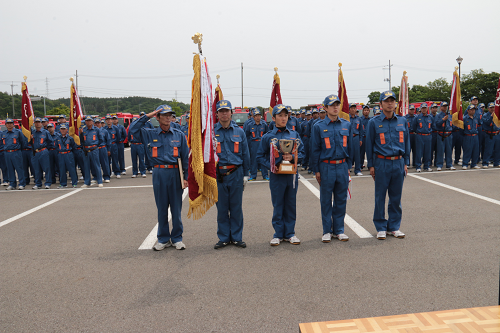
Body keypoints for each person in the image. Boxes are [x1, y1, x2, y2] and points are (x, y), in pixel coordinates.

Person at [128, 105, 188, 251]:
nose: (168, 117)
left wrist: (186, 177)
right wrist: (148, 115)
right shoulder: (150, 134)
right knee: (162, 208)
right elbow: (132, 130)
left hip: (175, 173)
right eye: (164, 115)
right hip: (159, 173)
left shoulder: (179, 135)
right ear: (158, 117)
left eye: (170, 115)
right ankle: (163, 238)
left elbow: (185, 158)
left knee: (176, 209)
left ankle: (177, 238)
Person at [256, 104, 304, 246]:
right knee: (278, 204)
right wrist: (271, 166)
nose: (283, 118)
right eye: (280, 115)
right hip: (277, 175)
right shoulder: (268, 137)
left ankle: (290, 233)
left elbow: (302, 152)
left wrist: (294, 158)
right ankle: (278, 233)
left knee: (290, 204)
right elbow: (259, 156)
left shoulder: (294, 135)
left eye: (285, 115)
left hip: (291, 175)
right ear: (274, 117)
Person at [366, 91, 409, 240]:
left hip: (398, 162)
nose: (390, 103)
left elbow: (406, 143)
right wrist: (371, 165)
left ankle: (394, 227)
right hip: (381, 162)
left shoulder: (402, 121)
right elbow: (369, 145)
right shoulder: (374, 122)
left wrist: (406, 162)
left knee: (396, 197)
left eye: (392, 101)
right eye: (387, 101)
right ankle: (380, 227)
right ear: (380, 104)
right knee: (380, 197)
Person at [310, 94, 352, 242]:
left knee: (341, 199)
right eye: (332, 105)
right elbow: (314, 150)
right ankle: (327, 230)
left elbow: (350, 147)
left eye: (337, 104)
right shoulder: (318, 126)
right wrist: (316, 170)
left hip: (342, 166)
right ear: (325, 108)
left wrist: (349, 166)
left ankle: (339, 230)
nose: (335, 107)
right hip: (326, 166)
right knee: (326, 200)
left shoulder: (346, 124)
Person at [213, 100, 251, 249]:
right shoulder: (212, 132)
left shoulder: (239, 131)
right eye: (221, 111)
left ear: (231, 113)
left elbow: (246, 154)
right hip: (219, 174)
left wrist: (246, 174)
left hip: (236, 173)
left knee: (236, 207)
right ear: (217, 114)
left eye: (226, 111)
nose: (224, 114)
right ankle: (223, 237)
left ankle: (236, 237)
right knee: (222, 208)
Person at [1, 118, 28, 190]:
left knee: (19, 168)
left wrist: (19, 150)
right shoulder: (3, 133)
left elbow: (22, 142)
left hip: (16, 152)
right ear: (5, 125)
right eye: (8, 123)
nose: (9, 125)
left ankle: (22, 183)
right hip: (7, 153)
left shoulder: (18, 132)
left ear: (13, 124)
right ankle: (12, 184)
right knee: (10, 169)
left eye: (11, 123)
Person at [80, 115, 104, 188]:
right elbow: (81, 141)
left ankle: (99, 181)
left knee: (96, 166)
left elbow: (101, 139)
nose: (88, 122)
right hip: (86, 151)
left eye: (90, 121)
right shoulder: (83, 130)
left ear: (92, 122)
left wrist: (95, 146)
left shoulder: (96, 130)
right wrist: (80, 134)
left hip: (94, 150)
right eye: (87, 121)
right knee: (86, 167)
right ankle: (87, 182)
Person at [245, 109, 269, 181]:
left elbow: (267, 134)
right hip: (253, 143)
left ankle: (265, 175)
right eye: (256, 116)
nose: (258, 117)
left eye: (259, 115)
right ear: (253, 117)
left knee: (263, 159)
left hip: (262, 143)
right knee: (254, 160)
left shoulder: (264, 124)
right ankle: (253, 175)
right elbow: (246, 135)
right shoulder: (250, 125)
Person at [31, 117, 54, 189]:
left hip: (43, 151)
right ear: (34, 123)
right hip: (35, 152)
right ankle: (38, 183)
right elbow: (28, 143)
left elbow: (51, 142)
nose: (37, 123)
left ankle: (48, 183)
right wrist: (30, 139)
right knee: (36, 169)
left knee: (46, 168)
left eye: (39, 122)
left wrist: (46, 149)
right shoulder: (33, 133)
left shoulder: (45, 132)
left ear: (41, 123)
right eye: (36, 122)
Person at [412, 103, 434, 172]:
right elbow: (414, 127)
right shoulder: (417, 117)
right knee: (419, 152)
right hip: (420, 136)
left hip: (428, 136)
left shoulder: (430, 117)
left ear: (427, 109)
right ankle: (418, 166)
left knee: (428, 152)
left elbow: (432, 126)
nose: (424, 109)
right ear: (421, 109)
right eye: (422, 108)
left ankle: (426, 166)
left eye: (425, 108)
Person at [435, 102, 455, 171]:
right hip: (441, 134)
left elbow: (452, 125)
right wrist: (443, 120)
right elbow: (437, 124)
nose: (445, 107)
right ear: (440, 107)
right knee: (440, 150)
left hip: (449, 134)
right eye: (443, 106)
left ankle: (449, 164)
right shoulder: (438, 115)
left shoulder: (450, 115)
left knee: (449, 150)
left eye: (446, 106)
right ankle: (439, 165)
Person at [462, 105, 481, 169]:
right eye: (471, 110)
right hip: (468, 136)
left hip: (475, 136)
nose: (473, 111)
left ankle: (474, 164)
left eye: (473, 110)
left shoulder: (476, 118)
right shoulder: (464, 118)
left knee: (476, 151)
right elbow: (461, 129)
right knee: (467, 150)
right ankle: (465, 163)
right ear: (468, 111)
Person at [482, 102, 500, 168]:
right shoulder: (485, 115)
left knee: (498, 150)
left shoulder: (497, 115)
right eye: (491, 108)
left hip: (497, 134)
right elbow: (487, 122)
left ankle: (496, 162)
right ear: (488, 108)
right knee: (488, 150)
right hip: (489, 134)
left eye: (493, 107)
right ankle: (485, 163)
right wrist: (491, 116)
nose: (492, 109)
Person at [95, 119, 112, 183]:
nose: (97, 124)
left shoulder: (104, 131)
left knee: (105, 163)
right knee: (96, 164)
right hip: (95, 149)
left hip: (102, 148)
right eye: (96, 123)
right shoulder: (92, 131)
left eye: (98, 123)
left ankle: (106, 176)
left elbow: (108, 141)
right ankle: (97, 176)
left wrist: (108, 150)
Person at [349, 103, 363, 176]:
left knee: (357, 154)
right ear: (349, 109)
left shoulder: (358, 119)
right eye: (351, 108)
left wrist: (360, 139)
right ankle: (347, 169)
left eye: (354, 108)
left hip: (356, 137)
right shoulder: (346, 118)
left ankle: (357, 170)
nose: (353, 109)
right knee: (348, 153)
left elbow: (361, 130)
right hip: (348, 137)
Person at [360, 105, 371, 169]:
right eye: (365, 110)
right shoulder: (360, 119)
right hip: (363, 138)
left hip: (369, 138)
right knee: (361, 153)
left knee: (369, 152)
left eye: (367, 110)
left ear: (369, 111)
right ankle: (360, 165)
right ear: (363, 111)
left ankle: (370, 166)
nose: (366, 112)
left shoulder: (371, 120)